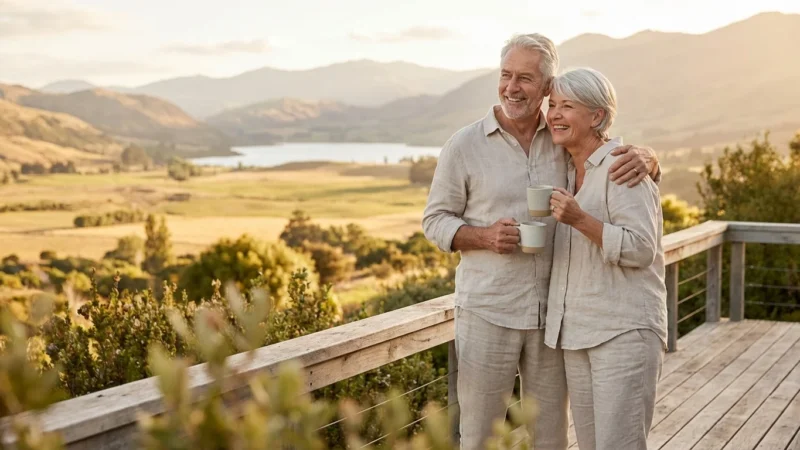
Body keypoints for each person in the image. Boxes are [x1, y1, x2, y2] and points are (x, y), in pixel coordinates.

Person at [422, 34, 661, 450]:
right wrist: (482, 236)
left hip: (554, 322)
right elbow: (434, 220)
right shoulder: (464, 145)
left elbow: (610, 163)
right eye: (506, 75)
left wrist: (653, 158)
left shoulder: (562, 140)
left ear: (547, 87)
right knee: (479, 435)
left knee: (550, 438)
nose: (512, 87)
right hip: (488, 312)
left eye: (526, 78)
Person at [545, 67, 667, 450]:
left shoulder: (623, 167)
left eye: (567, 106)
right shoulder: (567, 171)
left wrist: (581, 220)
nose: (555, 114)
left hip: (623, 333)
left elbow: (641, 248)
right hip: (577, 334)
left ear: (597, 116)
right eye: (552, 105)